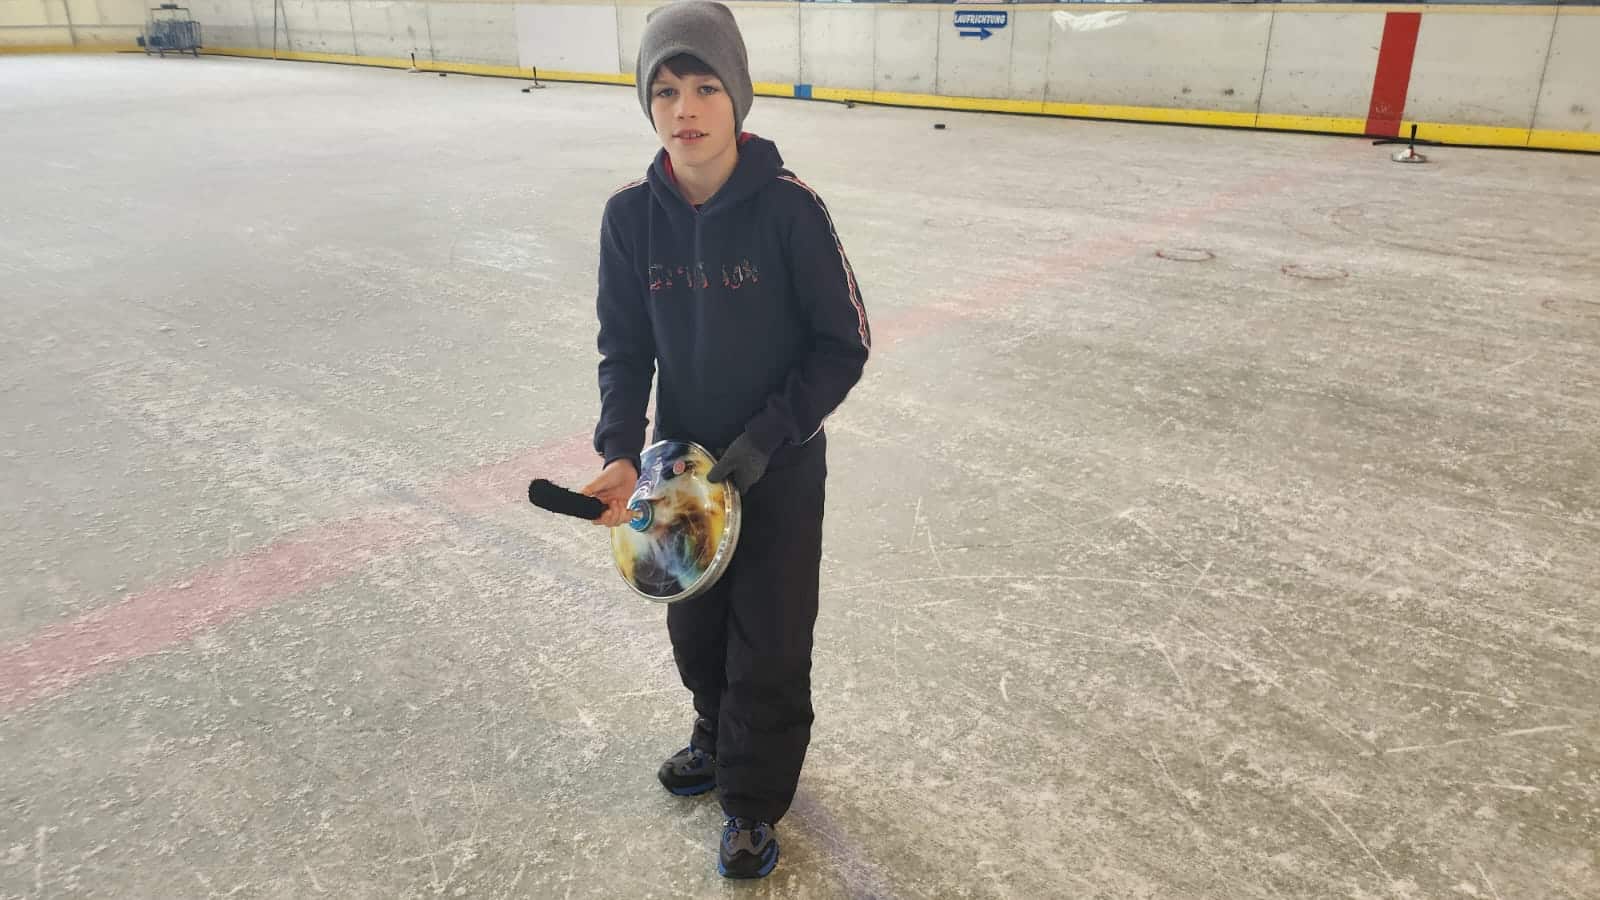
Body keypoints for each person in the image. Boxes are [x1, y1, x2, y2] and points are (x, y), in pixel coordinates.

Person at [578, 0, 870, 880]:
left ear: (736, 96)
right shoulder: (631, 218)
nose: (685, 108)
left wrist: (770, 436)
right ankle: (713, 728)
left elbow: (842, 343)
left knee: (771, 639)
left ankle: (750, 801)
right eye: (665, 90)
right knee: (697, 631)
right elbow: (625, 348)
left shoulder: (788, 210)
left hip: (777, 468)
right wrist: (622, 450)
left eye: (705, 86)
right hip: (679, 474)